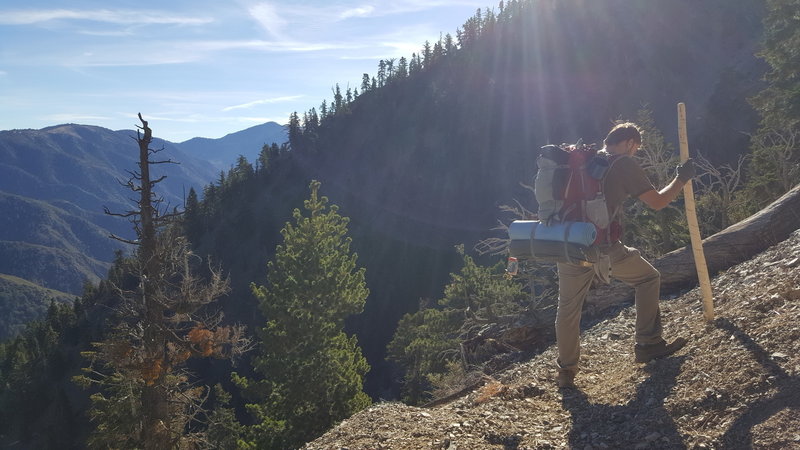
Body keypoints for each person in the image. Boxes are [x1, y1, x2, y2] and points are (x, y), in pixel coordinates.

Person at [555, 122, 695, 389]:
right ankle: (648, 344)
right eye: (637, 148)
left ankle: (566, 370)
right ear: (631, 142)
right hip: (603, 249)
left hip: (568, 244)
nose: (635, 152)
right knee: (647, 279)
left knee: (568, 308)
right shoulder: (623, 164)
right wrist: (682, 178)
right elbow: (657, 202)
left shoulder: (584, 160)